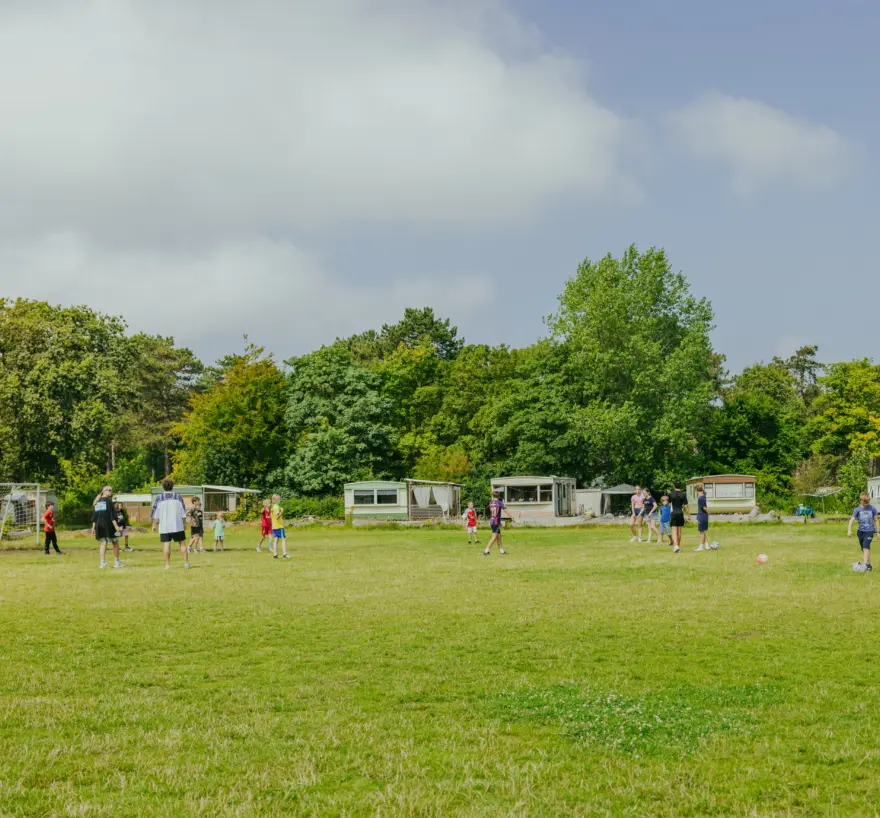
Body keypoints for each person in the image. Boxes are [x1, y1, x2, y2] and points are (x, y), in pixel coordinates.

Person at [152, 478, 189, 570]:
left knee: (166, 545)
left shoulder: (159, 498)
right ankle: (186, 563)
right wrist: (184, 523)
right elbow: (183, 511)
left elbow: (155, 513)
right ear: (172, 486)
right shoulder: (178, 497)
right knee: (182, 544)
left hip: (164, 526)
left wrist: (154, 525)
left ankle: (167, 565)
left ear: (163, 487)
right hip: (177, 525)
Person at [92, 486, 123, 569]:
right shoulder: (108, 502)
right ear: (104, 491)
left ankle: (103, 563)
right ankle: (117, 562)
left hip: (99, 525)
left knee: (103, 543)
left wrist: (93, 528)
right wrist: (116, 526)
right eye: (109, 490)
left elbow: (95, 516)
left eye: (111, 490)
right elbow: (112, 516)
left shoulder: (97, 502)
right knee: (115, 542)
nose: (111, 491)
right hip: (109, 525)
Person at [848, 491, 878, 571]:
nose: (866, 504)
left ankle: (864, 567)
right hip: (860, 532)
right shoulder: (857, 510)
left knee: (866, 548)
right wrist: (849, 530)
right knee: (864, 549)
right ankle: (868, 565)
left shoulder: (872, 509)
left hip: (870, 531)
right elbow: (852, 520)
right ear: (861, 501)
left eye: (867, 502)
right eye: (865, 503)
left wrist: (878, 532)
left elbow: (876, 521)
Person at [483, 491, 510, 556]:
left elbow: (492, 512)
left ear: (493, 496)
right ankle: (486, 551)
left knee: (499, 537)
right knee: (494, 537)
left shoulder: (491, 502)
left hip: (492, 521)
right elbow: (505, 510)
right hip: (496, 522)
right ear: (499, 496)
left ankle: (502, 551)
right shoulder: (499, 502)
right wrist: (511, 517)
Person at [667, 481, 688, 553]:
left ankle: (675, 546)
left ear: (674, 486)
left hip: (674, 513)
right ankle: (678, 546)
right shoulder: (683, 494)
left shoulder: (671, 494)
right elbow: (686, 506)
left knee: (674, 531)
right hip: (680, 513)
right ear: (680, 486)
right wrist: (688, 515)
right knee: (679, 532)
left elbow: (669, 504)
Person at [270, 494, 291, 559]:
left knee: (276, 539)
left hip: (274, 526)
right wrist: (282, 511)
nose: (280, 500)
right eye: (278, 499)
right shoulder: (276, 507)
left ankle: (275, 554)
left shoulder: (273, 507)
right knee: (283, 539)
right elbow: (277, 517)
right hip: (279, 526)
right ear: (275, 500)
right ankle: (285, 554)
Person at [694, 484, 710, 551]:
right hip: (703, 516)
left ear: (697, 491)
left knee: (701, 532)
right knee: (703, 531)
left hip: (702, 516)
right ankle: (706, 545)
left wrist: (708, 512)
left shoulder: (700, 498)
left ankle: (701, 547)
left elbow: (704, 508)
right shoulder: (704, 496)